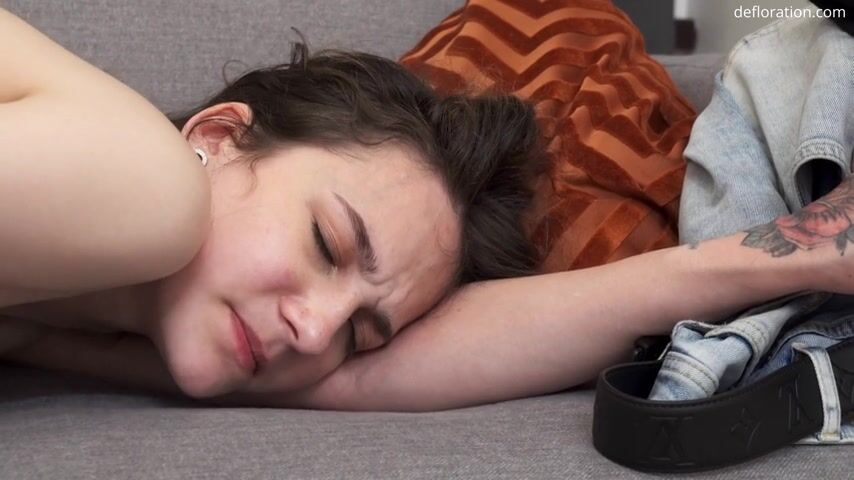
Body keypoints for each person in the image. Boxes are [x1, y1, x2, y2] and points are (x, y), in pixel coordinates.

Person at [2, 8, 854, 412]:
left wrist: (781, 254)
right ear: (220, 136)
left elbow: (375, 379)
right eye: (327, 243)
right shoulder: (152, 187)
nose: (315, 333)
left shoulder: (47, 307)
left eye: (359, 331)